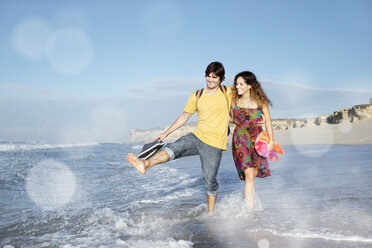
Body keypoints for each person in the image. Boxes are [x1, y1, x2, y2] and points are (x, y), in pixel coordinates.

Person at [127, 61, 232, 212]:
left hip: (214, 144)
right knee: (173, 148)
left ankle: (211, 214)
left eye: (215, 77)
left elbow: (247, 100)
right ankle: (145, 164)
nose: (211, 80)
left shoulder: (228, 92)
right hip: (197, 136)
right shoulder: (197, 95)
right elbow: (184, 117)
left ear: (221, 78)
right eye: (208, 76)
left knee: (210, 181)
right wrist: (166, 133)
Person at [230, 71, 273, 210]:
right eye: (236, 84)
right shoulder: (234, 101)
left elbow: (268, 122)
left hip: (257, 140)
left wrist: (271, 141)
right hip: (240, 139)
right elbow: (231, 118)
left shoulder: (261, 102)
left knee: (253, 175)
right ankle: (249, 212)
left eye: (241, 84)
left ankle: (249, 208)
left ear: (250, 85)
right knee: (248, 173)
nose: (238, 86)